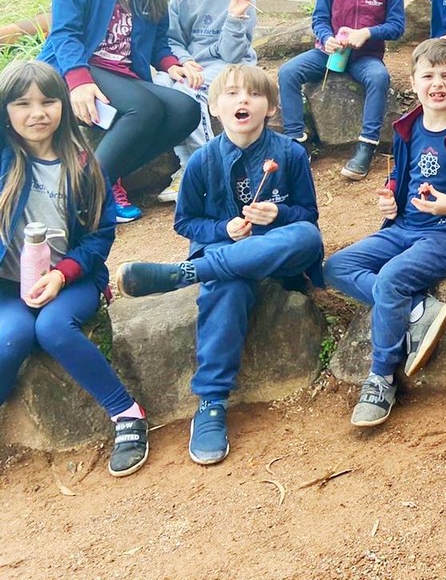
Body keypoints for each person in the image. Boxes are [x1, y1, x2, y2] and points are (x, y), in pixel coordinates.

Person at [116, 64, 325, 465]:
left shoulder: (291, 154)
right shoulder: (201, 161)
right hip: (225, 255)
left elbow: (308, 216)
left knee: (307, 236)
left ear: (270, 108)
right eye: (231, 93)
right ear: (213, 107)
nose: (242, 100)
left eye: (254, 94)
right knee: (227, 286)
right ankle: (211, 403)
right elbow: (185, 222)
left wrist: (278, 216)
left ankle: (186, 274)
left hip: (277, 253)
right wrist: (223, 229)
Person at [325, 38, 446, 427]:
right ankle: (416, 309)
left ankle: (381, 378)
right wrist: (390, 195)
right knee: (336, 266)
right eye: (428, 76)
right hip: (404, 227)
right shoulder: (408, 127)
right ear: (413, 82)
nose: (437, 83)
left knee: (392, 278)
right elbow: (402, 173)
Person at [0, 60, 148, 477]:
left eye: (48, 101)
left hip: (71, 280)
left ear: (63, 106)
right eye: (22, 104)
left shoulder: (83, 166)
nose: (37, 113)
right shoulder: (4, 163)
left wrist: (62, 274)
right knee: (10, 339)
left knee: (52, 328)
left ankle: (126, 413)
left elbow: (99, 238)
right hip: (10, 287)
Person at [38, 0, 201, 222]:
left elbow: (156, 43)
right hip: (78, 65)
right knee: (145, 107)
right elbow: (65, 33)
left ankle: (101, 173)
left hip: (123, 75)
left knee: (186, 109)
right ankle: (84, 193)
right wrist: (78, 82)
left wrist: (173, 65)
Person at [276, 0, 405, 180]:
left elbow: (396, 27)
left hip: (365, 57)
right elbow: (320, 19)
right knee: (288, 72)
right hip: (329, 54)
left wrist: (367, 33)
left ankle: (366, 146)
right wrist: (327, 39)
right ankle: (296, 144)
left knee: (379, 77)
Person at [156, 0, 258, 202]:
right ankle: (188, 167)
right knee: (163, 90)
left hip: (230, 64)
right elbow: (172, 40)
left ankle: (212, 166)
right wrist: (185, 61)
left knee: (190, 92)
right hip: (193, 63)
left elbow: (232, 53)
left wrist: (234, 18)